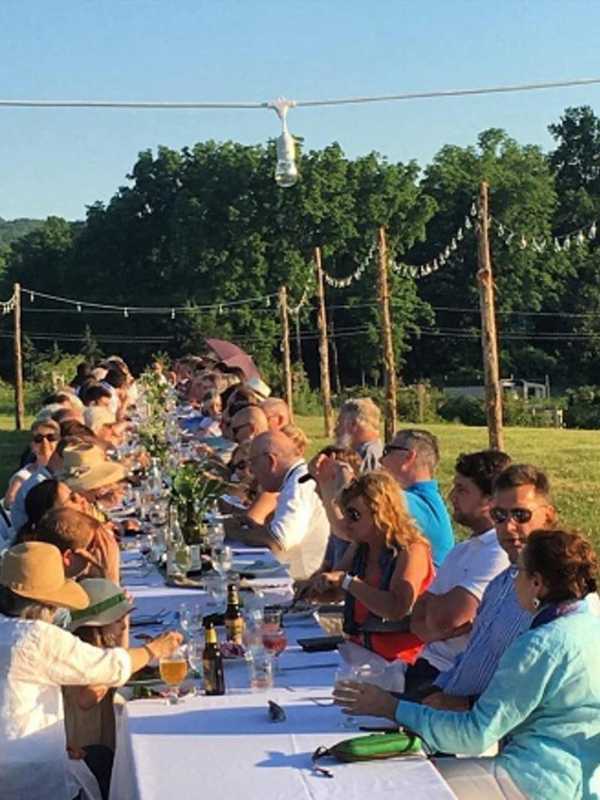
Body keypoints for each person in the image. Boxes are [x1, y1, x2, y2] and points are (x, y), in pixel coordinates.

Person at [334, 528, 600, 800]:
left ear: (537, 583)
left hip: (536, 781)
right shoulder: (588, 626)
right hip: (576, 780)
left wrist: (391, 707)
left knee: (394, 785)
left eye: (518, 571)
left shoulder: (539, 644)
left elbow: (475, 735)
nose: (514, 579)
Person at [0, 542, 182, 800]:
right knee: (109, 763)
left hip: (17, 756)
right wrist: (154, 650)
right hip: (31, 777)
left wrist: (56, 741)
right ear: (44, 604)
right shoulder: (36, 636)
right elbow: (108, 667)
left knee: (98, 756)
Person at [423, 463, 557, 711]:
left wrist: (462, 704)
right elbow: (471, 657)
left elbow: (533, 693)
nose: (508, 526)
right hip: (448, 710)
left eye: (520, 515)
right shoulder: (501, 583)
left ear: (548, 515)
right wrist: (435, 694)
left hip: (490, 733)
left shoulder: (559, 594)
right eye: (499, 516)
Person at [404, 450, 512, 697]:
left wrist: (439, 620)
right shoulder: (462, 550)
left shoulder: (499, 552)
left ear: (490, 500)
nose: (452, 496)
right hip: (425, 668)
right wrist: (441, 621)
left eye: (462, 490)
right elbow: (418, 620)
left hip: (450, 681)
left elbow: (447, 618)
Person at [309, 471, 435, 663]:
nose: (347, 523)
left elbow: (396, 608)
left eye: (354, 515)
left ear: (381, 513)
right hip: (360, 652)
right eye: (345, 515)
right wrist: (313, 588)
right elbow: (335, 592)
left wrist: (347, 581)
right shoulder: (361, 546)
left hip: (399, 662)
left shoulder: (411, 550)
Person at [64, 578, 135, 799]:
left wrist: (125, 625)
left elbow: (120, 660)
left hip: (100, 741)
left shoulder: (99, 650)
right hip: (85, 752)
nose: (124, 625)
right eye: (118, 620)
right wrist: (112, 673)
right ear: (97, 625)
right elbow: (85, 699)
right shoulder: (80, 657)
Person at [231, 431, 330, 579]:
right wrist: (255, 528)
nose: (251, 471)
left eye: (253, 463)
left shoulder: (299, 485)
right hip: (291, 574)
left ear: (271, 461)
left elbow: (278, 541)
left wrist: (232, 531)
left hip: (300, 583)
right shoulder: (295, 479)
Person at [380, 428, 454, 567]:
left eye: (388, 451)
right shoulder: (427, 501)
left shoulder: (410, 502)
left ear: (409, 457)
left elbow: (346, 528)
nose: (380, 459)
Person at [3, 418, 60, 509]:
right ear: (32, 446)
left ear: (59, 442)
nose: (45, 443)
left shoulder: (67, 469)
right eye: (39, 439)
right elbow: (9, 504)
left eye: (51, 438)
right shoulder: (23, 477)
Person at [335, 397, 383, 471]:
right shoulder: (362, 450)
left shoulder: (369, 455)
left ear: (353, 424)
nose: (335, 430)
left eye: (339, 424)